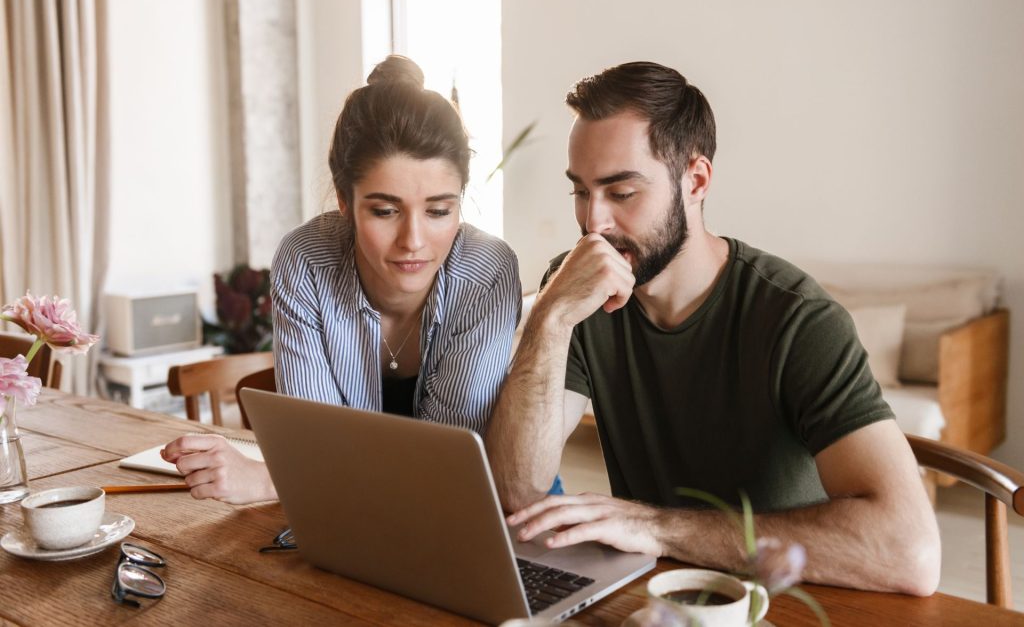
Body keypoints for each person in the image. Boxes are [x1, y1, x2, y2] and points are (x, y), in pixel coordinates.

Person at [484, 61, 941, 596]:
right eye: (580, 192)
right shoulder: (578, 292)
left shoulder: (798, 319)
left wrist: (655, 526)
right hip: (661, 599)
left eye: (622, 192)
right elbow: (516, 490)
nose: (594, 224)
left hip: (787, 601)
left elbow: (911, 551)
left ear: (695, 180)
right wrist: (551, 315)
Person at [162, 55, 521, 504]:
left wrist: (273, 481)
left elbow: (443, 467)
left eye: (438, 211)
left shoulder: (487, 272)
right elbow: (317, 443)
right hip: (351, 512)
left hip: (478, 508)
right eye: (385, 211)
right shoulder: (307, 261)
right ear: (344, 203)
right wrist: (306, 470)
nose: (413, 240)